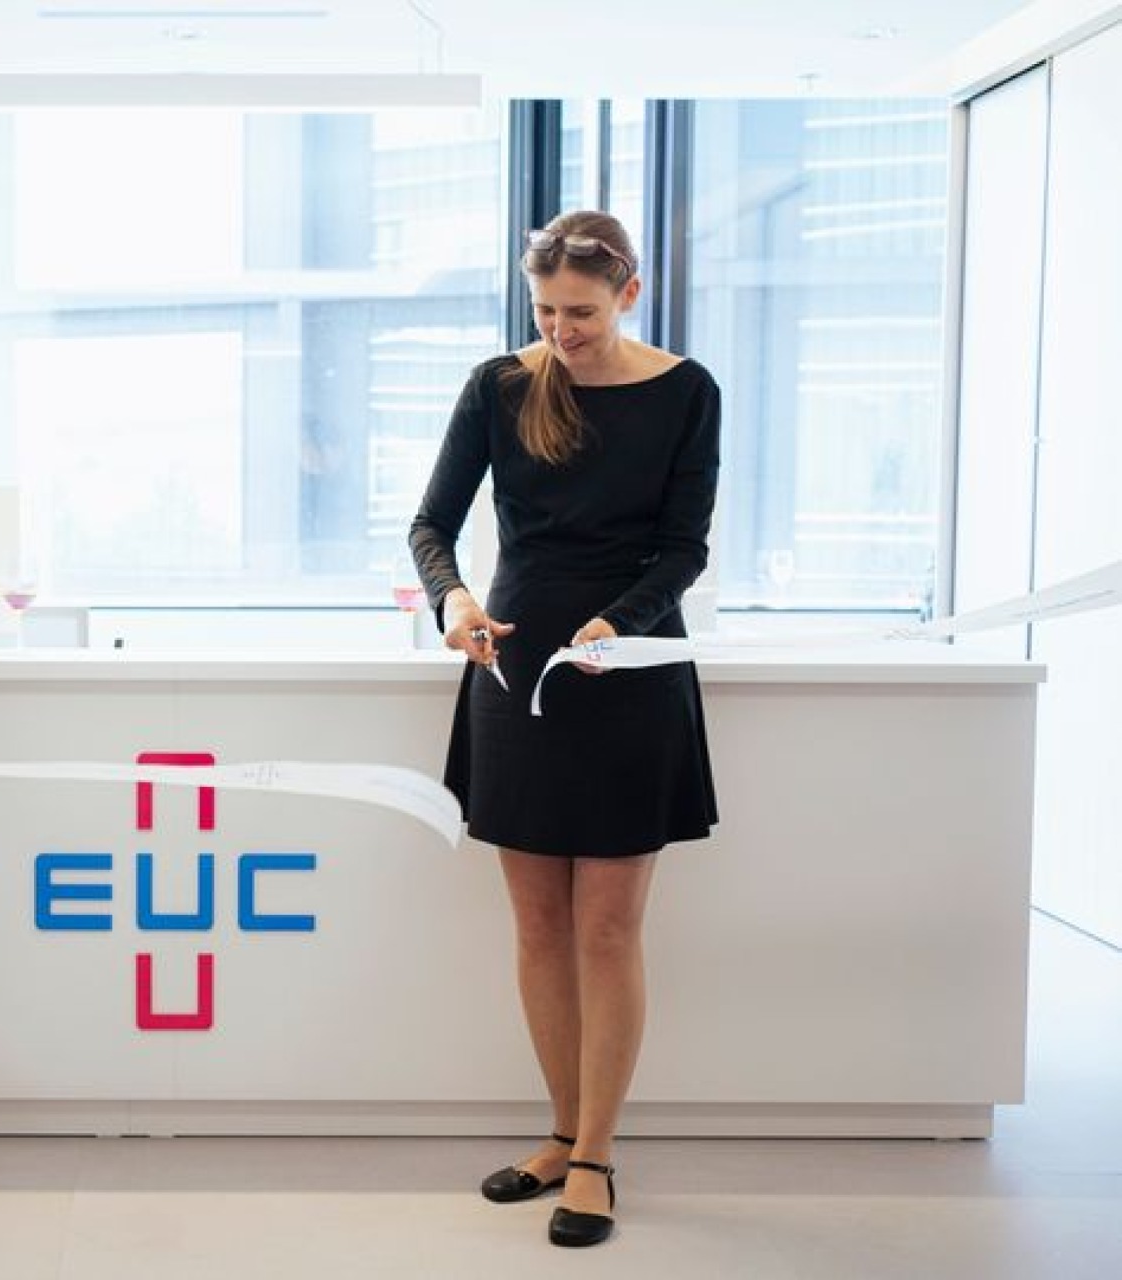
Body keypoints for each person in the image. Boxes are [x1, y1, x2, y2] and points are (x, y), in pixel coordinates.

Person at [408, 210, 720, 1249]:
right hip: (514, 667)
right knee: (539, 925)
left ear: (629, 293)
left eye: (579, 311)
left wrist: (619, 624)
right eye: (544, 310)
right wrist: (455, 601)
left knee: (608, 928)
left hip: (629, 667)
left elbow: (683, 548)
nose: (560, 331)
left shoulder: (686, 392)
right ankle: (558, 1130)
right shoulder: (499, 386)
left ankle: (594, 1154)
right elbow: (431, 525)